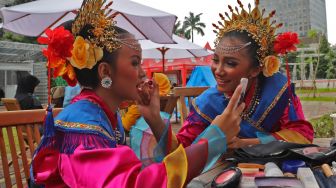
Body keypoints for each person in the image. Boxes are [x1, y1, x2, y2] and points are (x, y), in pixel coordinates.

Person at [30, 1, 244, 187]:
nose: (143, 73)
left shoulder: (103, 113)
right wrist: (216, 137)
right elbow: (137, 182)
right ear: (105, 72)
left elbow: (145, 167)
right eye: (135, 63)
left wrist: (153, 118)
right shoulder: (83, 125)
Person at [174, 0, 314, 148]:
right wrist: (155, 121)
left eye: (230, 63)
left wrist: (246, 143)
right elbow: (181, 148)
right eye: (215, 60)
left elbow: (302, 135)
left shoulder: (277, 92)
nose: (218, 71)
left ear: (255, 69)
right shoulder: (207, 103)